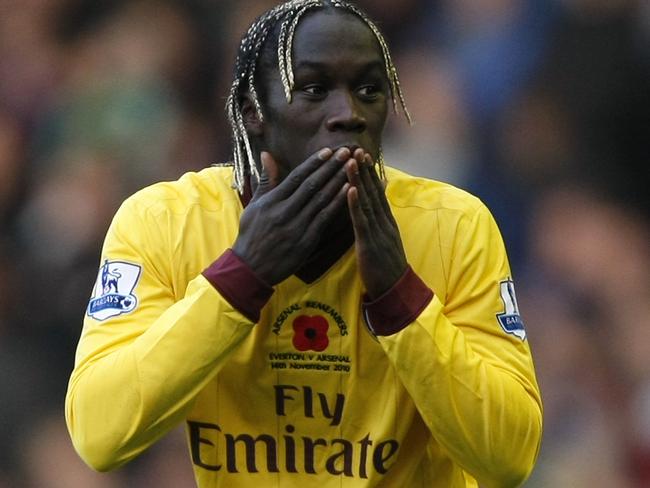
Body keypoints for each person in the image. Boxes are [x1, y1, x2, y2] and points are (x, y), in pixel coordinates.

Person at [65, 1, 542, 486]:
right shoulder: (166, 223)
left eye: (369, 90)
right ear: (254, 112)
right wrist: (240, 277)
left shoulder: (453, 228)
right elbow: (101, 435)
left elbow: (509, 458)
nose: (348, 114)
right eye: (314, 89)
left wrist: (402, 298)